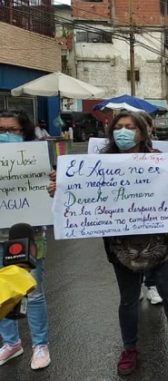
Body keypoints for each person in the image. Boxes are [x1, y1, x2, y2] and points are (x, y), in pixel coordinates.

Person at [48, 111, 168, 375]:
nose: (123, 132)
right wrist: (60, 190)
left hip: (160, 242)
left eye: (130, 127)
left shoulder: (159, 161)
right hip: (121, 246)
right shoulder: (98, 163)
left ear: (141, 131)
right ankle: (130, 348)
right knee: (128, 300)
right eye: (118, 127)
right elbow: (81, 194)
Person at [0, 110, 51, 370]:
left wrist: (53, 186)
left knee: (33, 291)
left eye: (13, 130)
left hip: (29, 234)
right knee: (1, 291)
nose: (7, 135)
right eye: (2, 130)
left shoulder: (37, 157)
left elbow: (50, 192)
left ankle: (40, 345)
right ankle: (11, 343)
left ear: (25, 132)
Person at [136, 111, 163, 305]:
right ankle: (137, 284)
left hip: (151, 211)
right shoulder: (113, 156)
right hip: (127, 213)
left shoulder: (158, 155)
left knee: (151, 249)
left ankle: (151, 285)